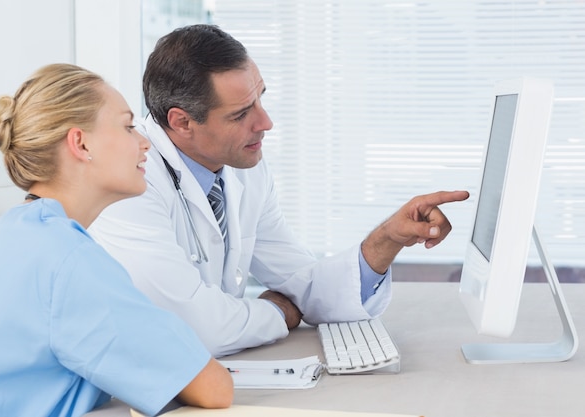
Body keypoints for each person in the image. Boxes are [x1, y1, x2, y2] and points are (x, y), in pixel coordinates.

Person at [90, 24, 470, 358]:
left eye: (260, 98)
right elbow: (195, 327)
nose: (265, 122)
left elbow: (301, 281)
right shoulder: (128, 181)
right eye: (241, 114)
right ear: (182, 121)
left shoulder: (242, 168)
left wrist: (387, 239)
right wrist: (278, 313)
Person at [0, 63, 233, 417]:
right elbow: (213, 388)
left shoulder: (5, 238)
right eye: (128, 126)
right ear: (81, 143)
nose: (144, 141)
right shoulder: (68, 260)